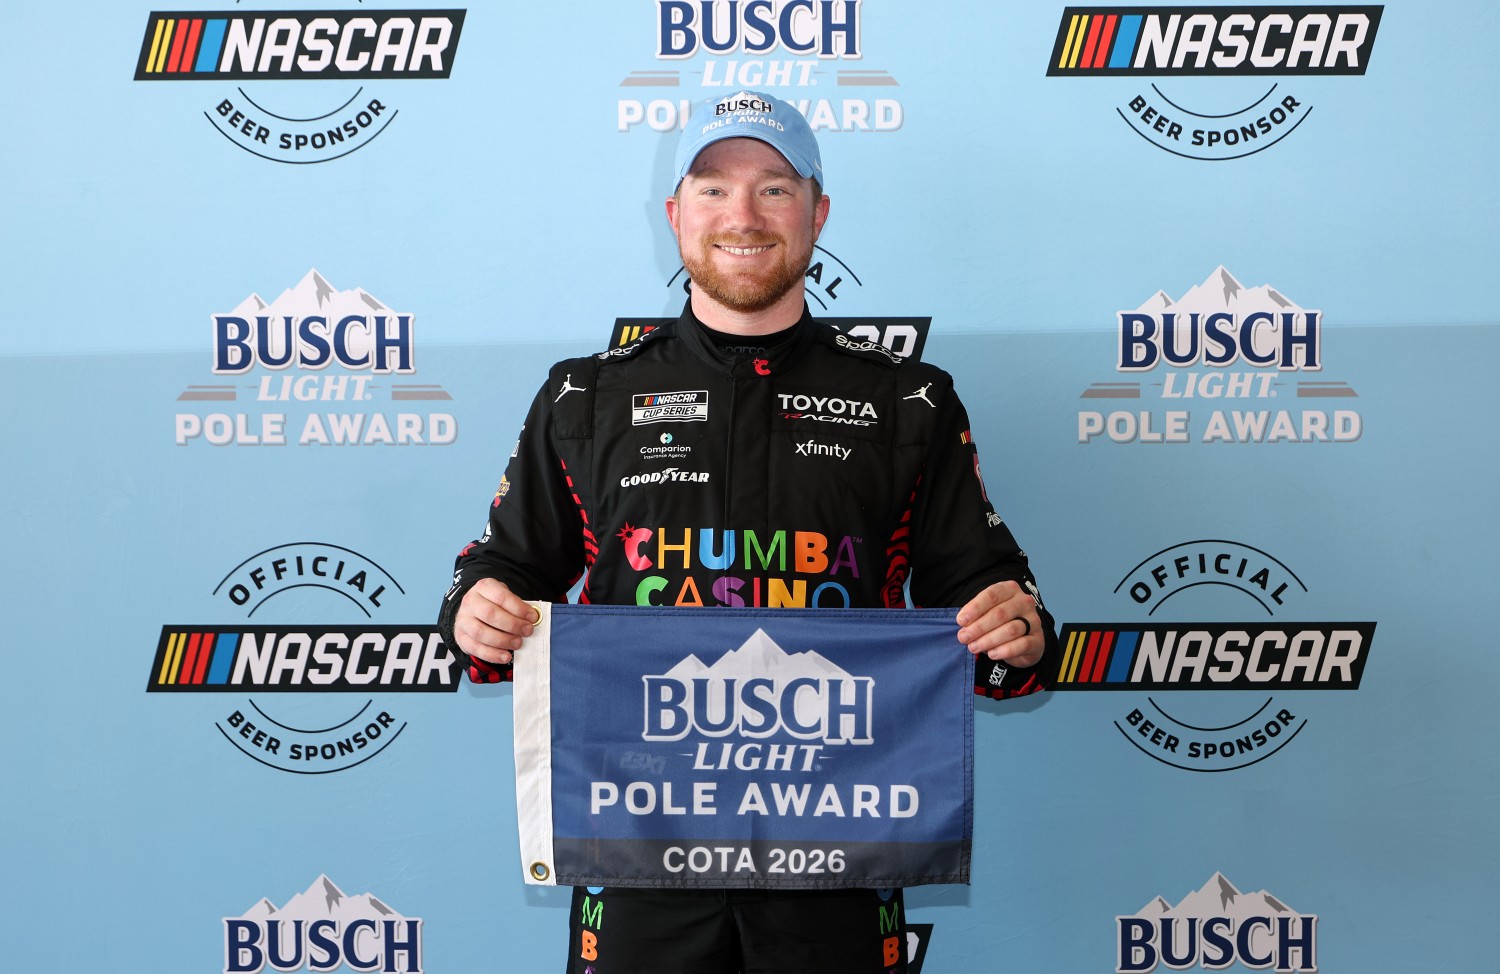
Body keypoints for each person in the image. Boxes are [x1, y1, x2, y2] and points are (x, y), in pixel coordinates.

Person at [439, 89, 1059, 974]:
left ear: (818, 213)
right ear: (675, 215)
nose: (743, 215)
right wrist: (478, 611)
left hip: (840, 848)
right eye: (713, 189)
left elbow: (987, 599)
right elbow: (504, 570)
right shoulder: (588, 396)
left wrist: (1015, 630)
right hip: (640, 845)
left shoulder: (909, 399)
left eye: (774, 188)